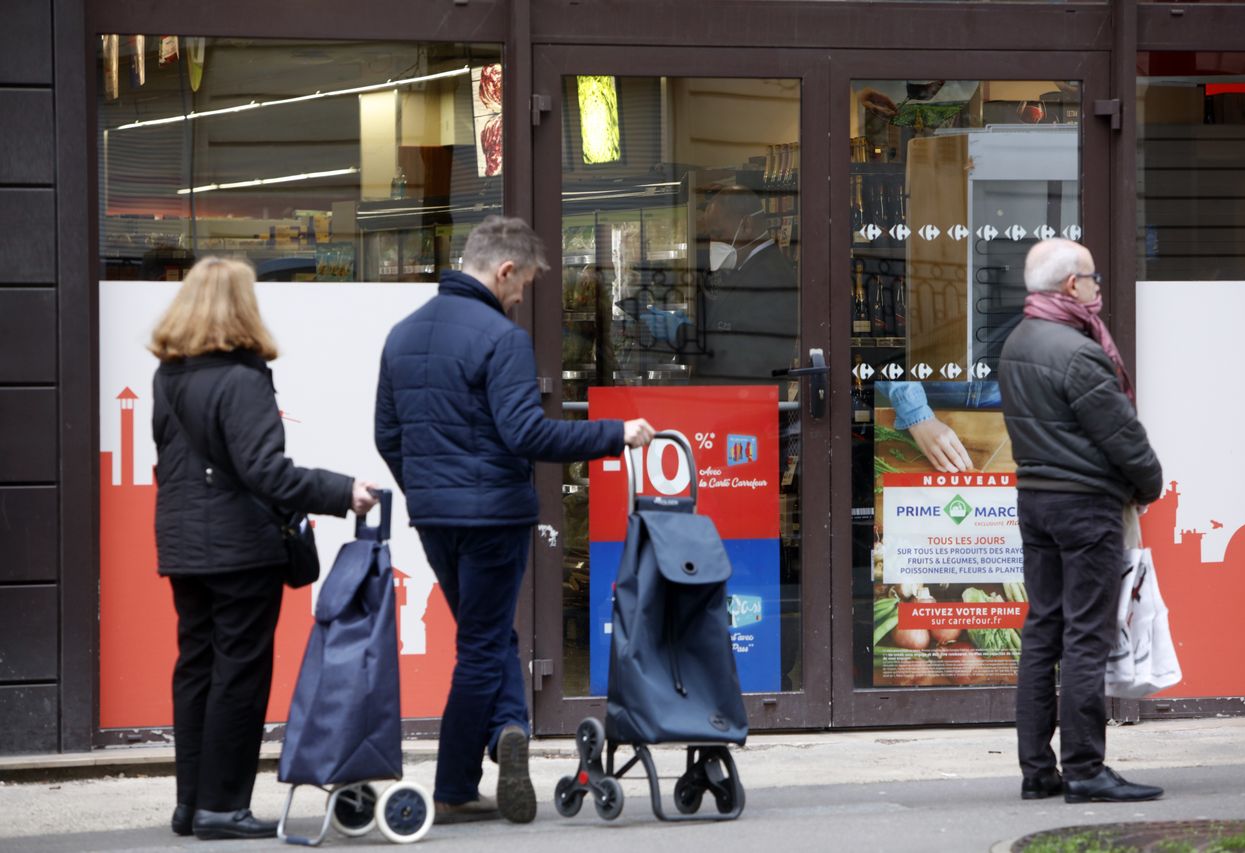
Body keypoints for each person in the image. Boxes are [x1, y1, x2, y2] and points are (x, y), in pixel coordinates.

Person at [375, 216, 655, 824]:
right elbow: (526, 433)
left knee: (488, 630)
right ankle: (453, 786)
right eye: (522, 283)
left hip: (436, 519)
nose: (521, 296)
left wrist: (429, 490)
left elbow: (386, 435)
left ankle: (508, 726)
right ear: (503, 270)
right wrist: (617, 434)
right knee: (480, 646)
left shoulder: (401, 335)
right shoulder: (501, 339)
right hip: (494, 517)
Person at [149, 257, 380, 840]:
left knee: (196, 667)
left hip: (182, 544)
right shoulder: (243, 378)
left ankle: (191, 803)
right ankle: (223, 807)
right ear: (242, 307)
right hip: (238, 549)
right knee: (239, 673)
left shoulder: (168, 376)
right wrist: (341, 491)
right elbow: (266, 474)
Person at [997, 238, 1164, 804]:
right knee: (1087, 635)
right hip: (1085, 505)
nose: (1096, 288)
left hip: (1037, 500)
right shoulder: (1077, 350)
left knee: (1043, 629)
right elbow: (1121, 434)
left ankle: (1037, 770)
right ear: (1071, 285)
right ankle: (1086, 770)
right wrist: (1149, 485)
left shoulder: (1018, 341)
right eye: (1092, 279)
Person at [696, 185, 799, 383]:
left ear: (746, 225)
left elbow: (748, 353)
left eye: (718, 234)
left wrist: (683, 335)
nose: (713, 243)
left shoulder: (770, 277)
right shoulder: (746, 268)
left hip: (752, 396)